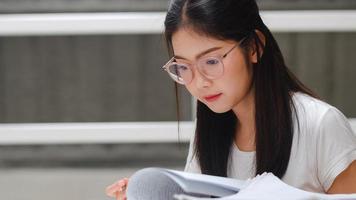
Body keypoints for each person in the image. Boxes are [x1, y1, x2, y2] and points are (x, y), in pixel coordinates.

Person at [106, 0, 356, 199]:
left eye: (212, 61)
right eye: (183, 67)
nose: (199, 82)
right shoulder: (208, 133)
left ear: (255, 46)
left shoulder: (320, 124)